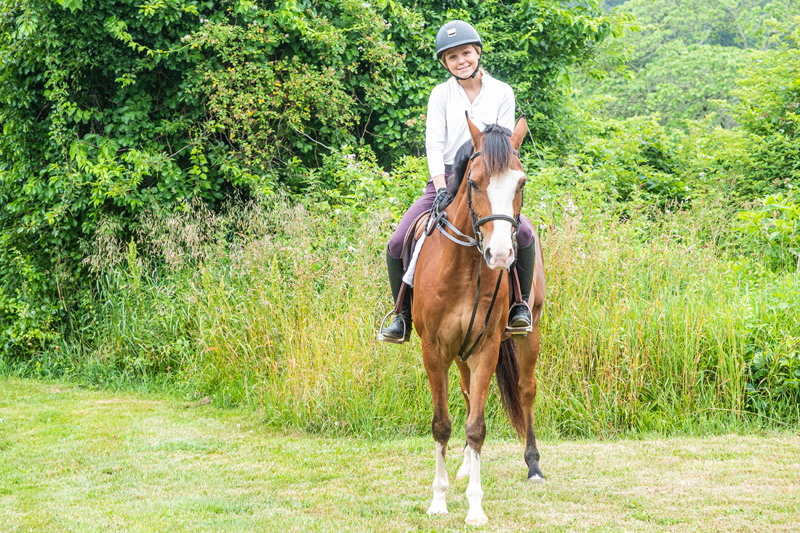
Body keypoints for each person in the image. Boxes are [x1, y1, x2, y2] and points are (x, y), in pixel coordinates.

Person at [378, 20, 536, 343]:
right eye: (452, 57)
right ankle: (402, 316)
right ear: (445, 63)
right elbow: (434, 145)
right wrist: (440, 189)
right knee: (397, 243)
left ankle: (519, 306)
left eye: (466, 53)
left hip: (490, 178)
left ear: (477, 52)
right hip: (447, 178)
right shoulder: (440, 95)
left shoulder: (502, 92)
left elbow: (503, 145)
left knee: (524, 234)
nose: (461, 61)